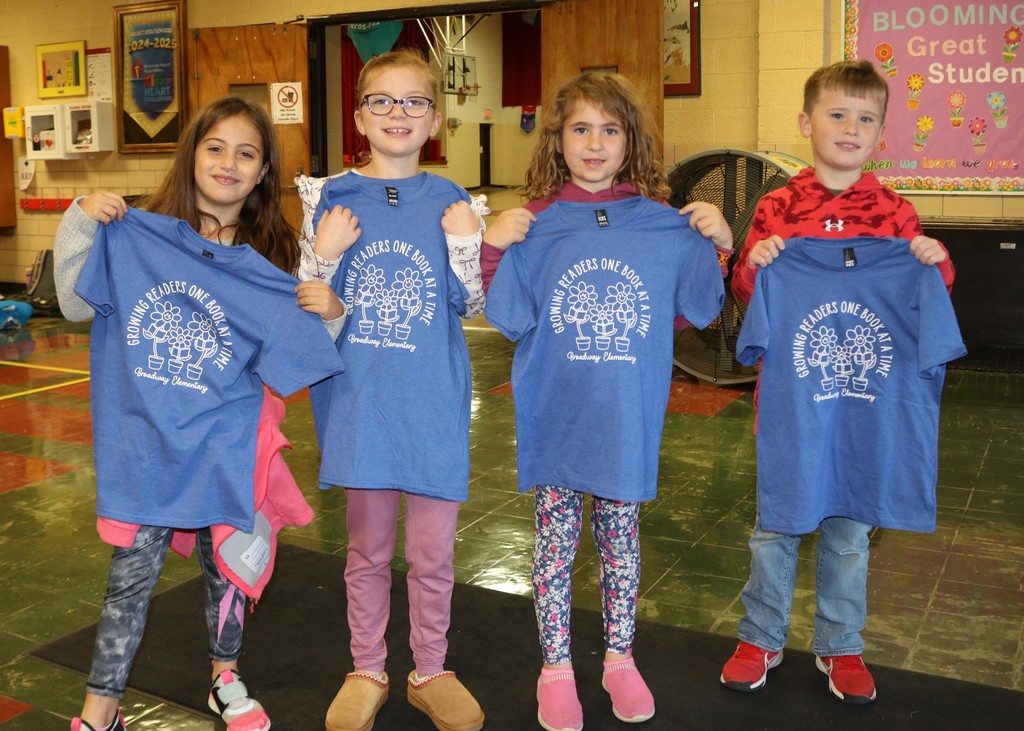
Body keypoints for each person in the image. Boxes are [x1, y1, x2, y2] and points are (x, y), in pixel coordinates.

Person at [54, 97, 347, 731]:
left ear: (264, 171)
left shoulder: (270, 260)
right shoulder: (137, 233)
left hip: (226, 444)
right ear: (191, 156)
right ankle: (100, 709)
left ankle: (225, 677)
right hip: (144, 445)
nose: (228, 163)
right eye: (215, 148)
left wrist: (332, 311)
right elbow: (76, 306)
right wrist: (80, 218)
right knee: (129, 578)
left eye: (247, 153)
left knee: (228, 567)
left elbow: (306, 354)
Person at [483, 72, 729, 731]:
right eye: (581, 128)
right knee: (554, 544)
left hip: (624, 420)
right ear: (557, 141)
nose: (595, 144)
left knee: (622, 541)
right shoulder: (534, 226)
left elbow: (684, 312)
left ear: (631, 142)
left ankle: (620, 656)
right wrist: (491, 242)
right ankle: (555, 666)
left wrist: (716, 245)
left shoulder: (662, 226)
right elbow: (503, 308)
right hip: (557, 419)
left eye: (610, 129)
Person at [720, 59, 956, 705]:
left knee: (851, 532)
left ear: (881, 131)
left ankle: (841, 641)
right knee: (776, 523)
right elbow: (749, 303)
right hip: (791, 406)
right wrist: (754, 265)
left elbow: (926, 303)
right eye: (836, 114)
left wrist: (937, 261)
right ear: (806, 122)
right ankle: (760, 632)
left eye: (865, 118)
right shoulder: (777, 207)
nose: (850, 128)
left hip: (864, 410)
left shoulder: (895, 213)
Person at [296, 48, 486, 731]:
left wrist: (467, 242)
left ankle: (430, 668)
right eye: (382, 100)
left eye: (413, 102)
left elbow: (470, 303)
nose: (397, 113)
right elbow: (309, 304)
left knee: (434, 553)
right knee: (368, 549)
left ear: (435, 117)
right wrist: (323, 251)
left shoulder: (452, 200)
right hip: (363, 404)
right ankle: (367, 666)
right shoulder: (330, 196)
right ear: (359, 115)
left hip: (431, 402)